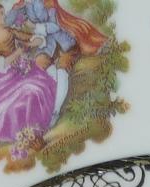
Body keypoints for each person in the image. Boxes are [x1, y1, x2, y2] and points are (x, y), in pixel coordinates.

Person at [6, 0, 108, 130]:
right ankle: (44, 110)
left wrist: (34, 27)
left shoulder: (48, 2)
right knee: (41, 67)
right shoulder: (25, 4)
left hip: (64, 43)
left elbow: (55, 25)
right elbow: (7, 23)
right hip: (46, 46)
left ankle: (56, 111)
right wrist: (16, 8)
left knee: (62, 68)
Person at [0, 2, 57, 143]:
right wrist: (18, 52)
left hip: (23, 68)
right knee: (10, 102)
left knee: (36, 89)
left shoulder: (9, 30)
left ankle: (35, 128)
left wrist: (34, 41)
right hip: (4, 76)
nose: (5, 15)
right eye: (2, 13)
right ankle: (22, 133)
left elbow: (29, 37)